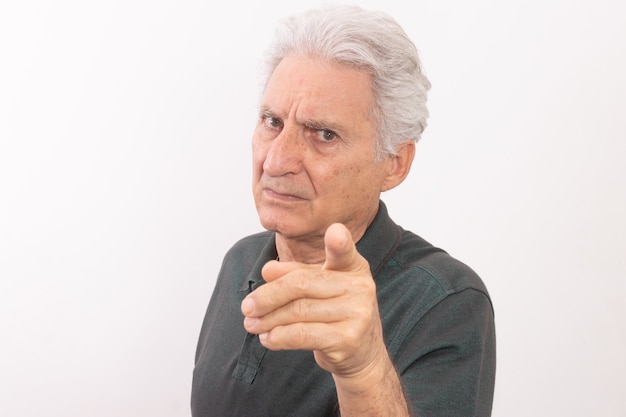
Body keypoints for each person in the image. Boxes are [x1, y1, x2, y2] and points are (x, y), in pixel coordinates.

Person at [191, 4, 496, 417]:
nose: (277, 161)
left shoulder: (445, 301)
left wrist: (364, 370)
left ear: (394, 163)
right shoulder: (241, 260)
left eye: (324, 134)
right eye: (272, 122)